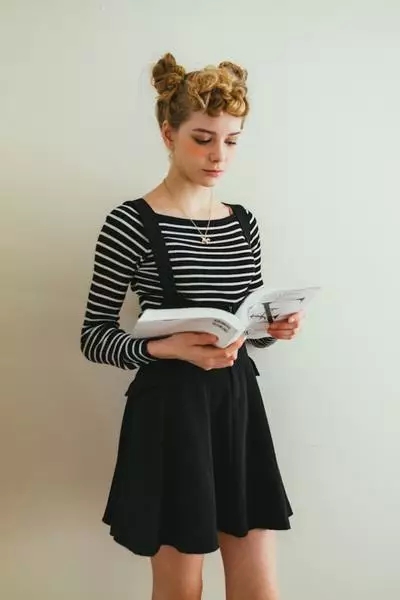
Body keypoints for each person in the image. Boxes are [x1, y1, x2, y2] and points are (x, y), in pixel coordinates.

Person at [80, 52, 304, 600]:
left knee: (260, 588)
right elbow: (94, 335)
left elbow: (244, 326)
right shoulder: (130, 222)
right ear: (168, 134)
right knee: (181, 590)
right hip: (171, 415)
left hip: (238, 407)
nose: (218, 155)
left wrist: (269, 329)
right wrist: (168, 347)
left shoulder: (243, 222)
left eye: (231, 141)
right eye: (203, 139)